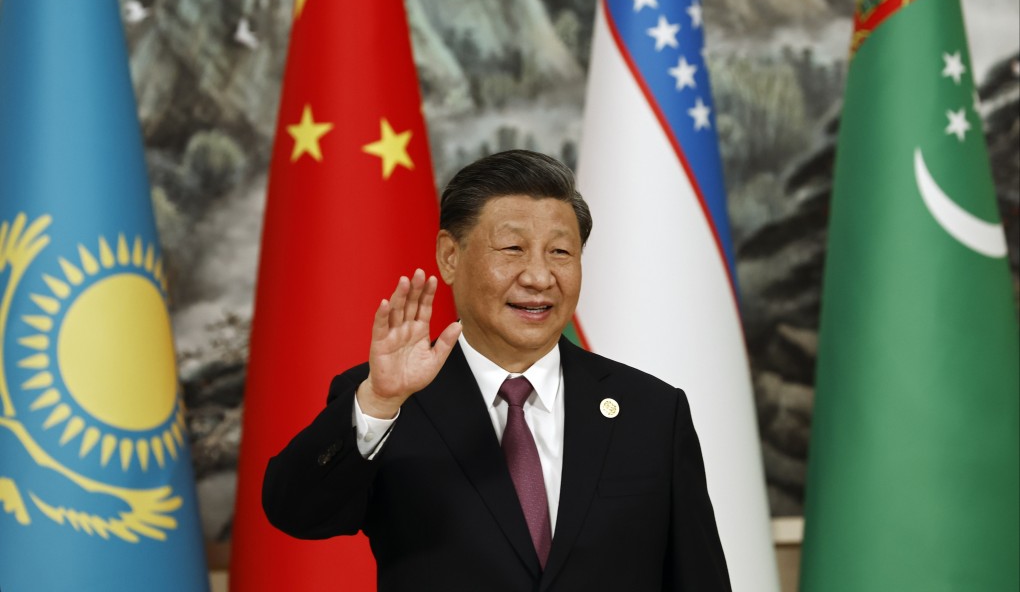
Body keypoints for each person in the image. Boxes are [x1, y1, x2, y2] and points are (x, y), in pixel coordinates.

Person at [262, 150, 731, 591]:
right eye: (512, 248)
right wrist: (380, 404)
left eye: (560, 253)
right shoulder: (390, 400)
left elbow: (698, 578)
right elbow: (296, 513)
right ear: (450, 256)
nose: (539, 276)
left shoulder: (651, 412)